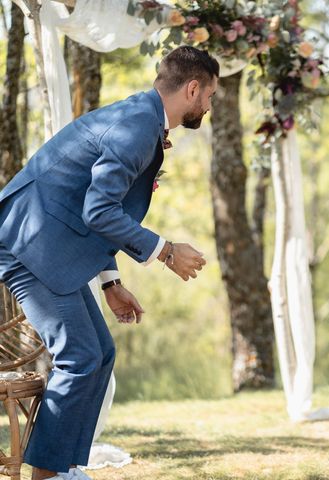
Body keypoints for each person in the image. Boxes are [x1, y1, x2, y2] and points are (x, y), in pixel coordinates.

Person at [0, 46, 219, 480]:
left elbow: (97, 204)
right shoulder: (137, 125)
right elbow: (99, 212)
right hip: (30, 243)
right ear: (192, 89)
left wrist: (110, 282)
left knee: (100, 352)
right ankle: (46, 476)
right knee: (79, 357)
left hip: (54, 244)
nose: (210, 106)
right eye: (210, 96)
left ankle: (63, 465)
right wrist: (167, 251)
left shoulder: (142, 119)